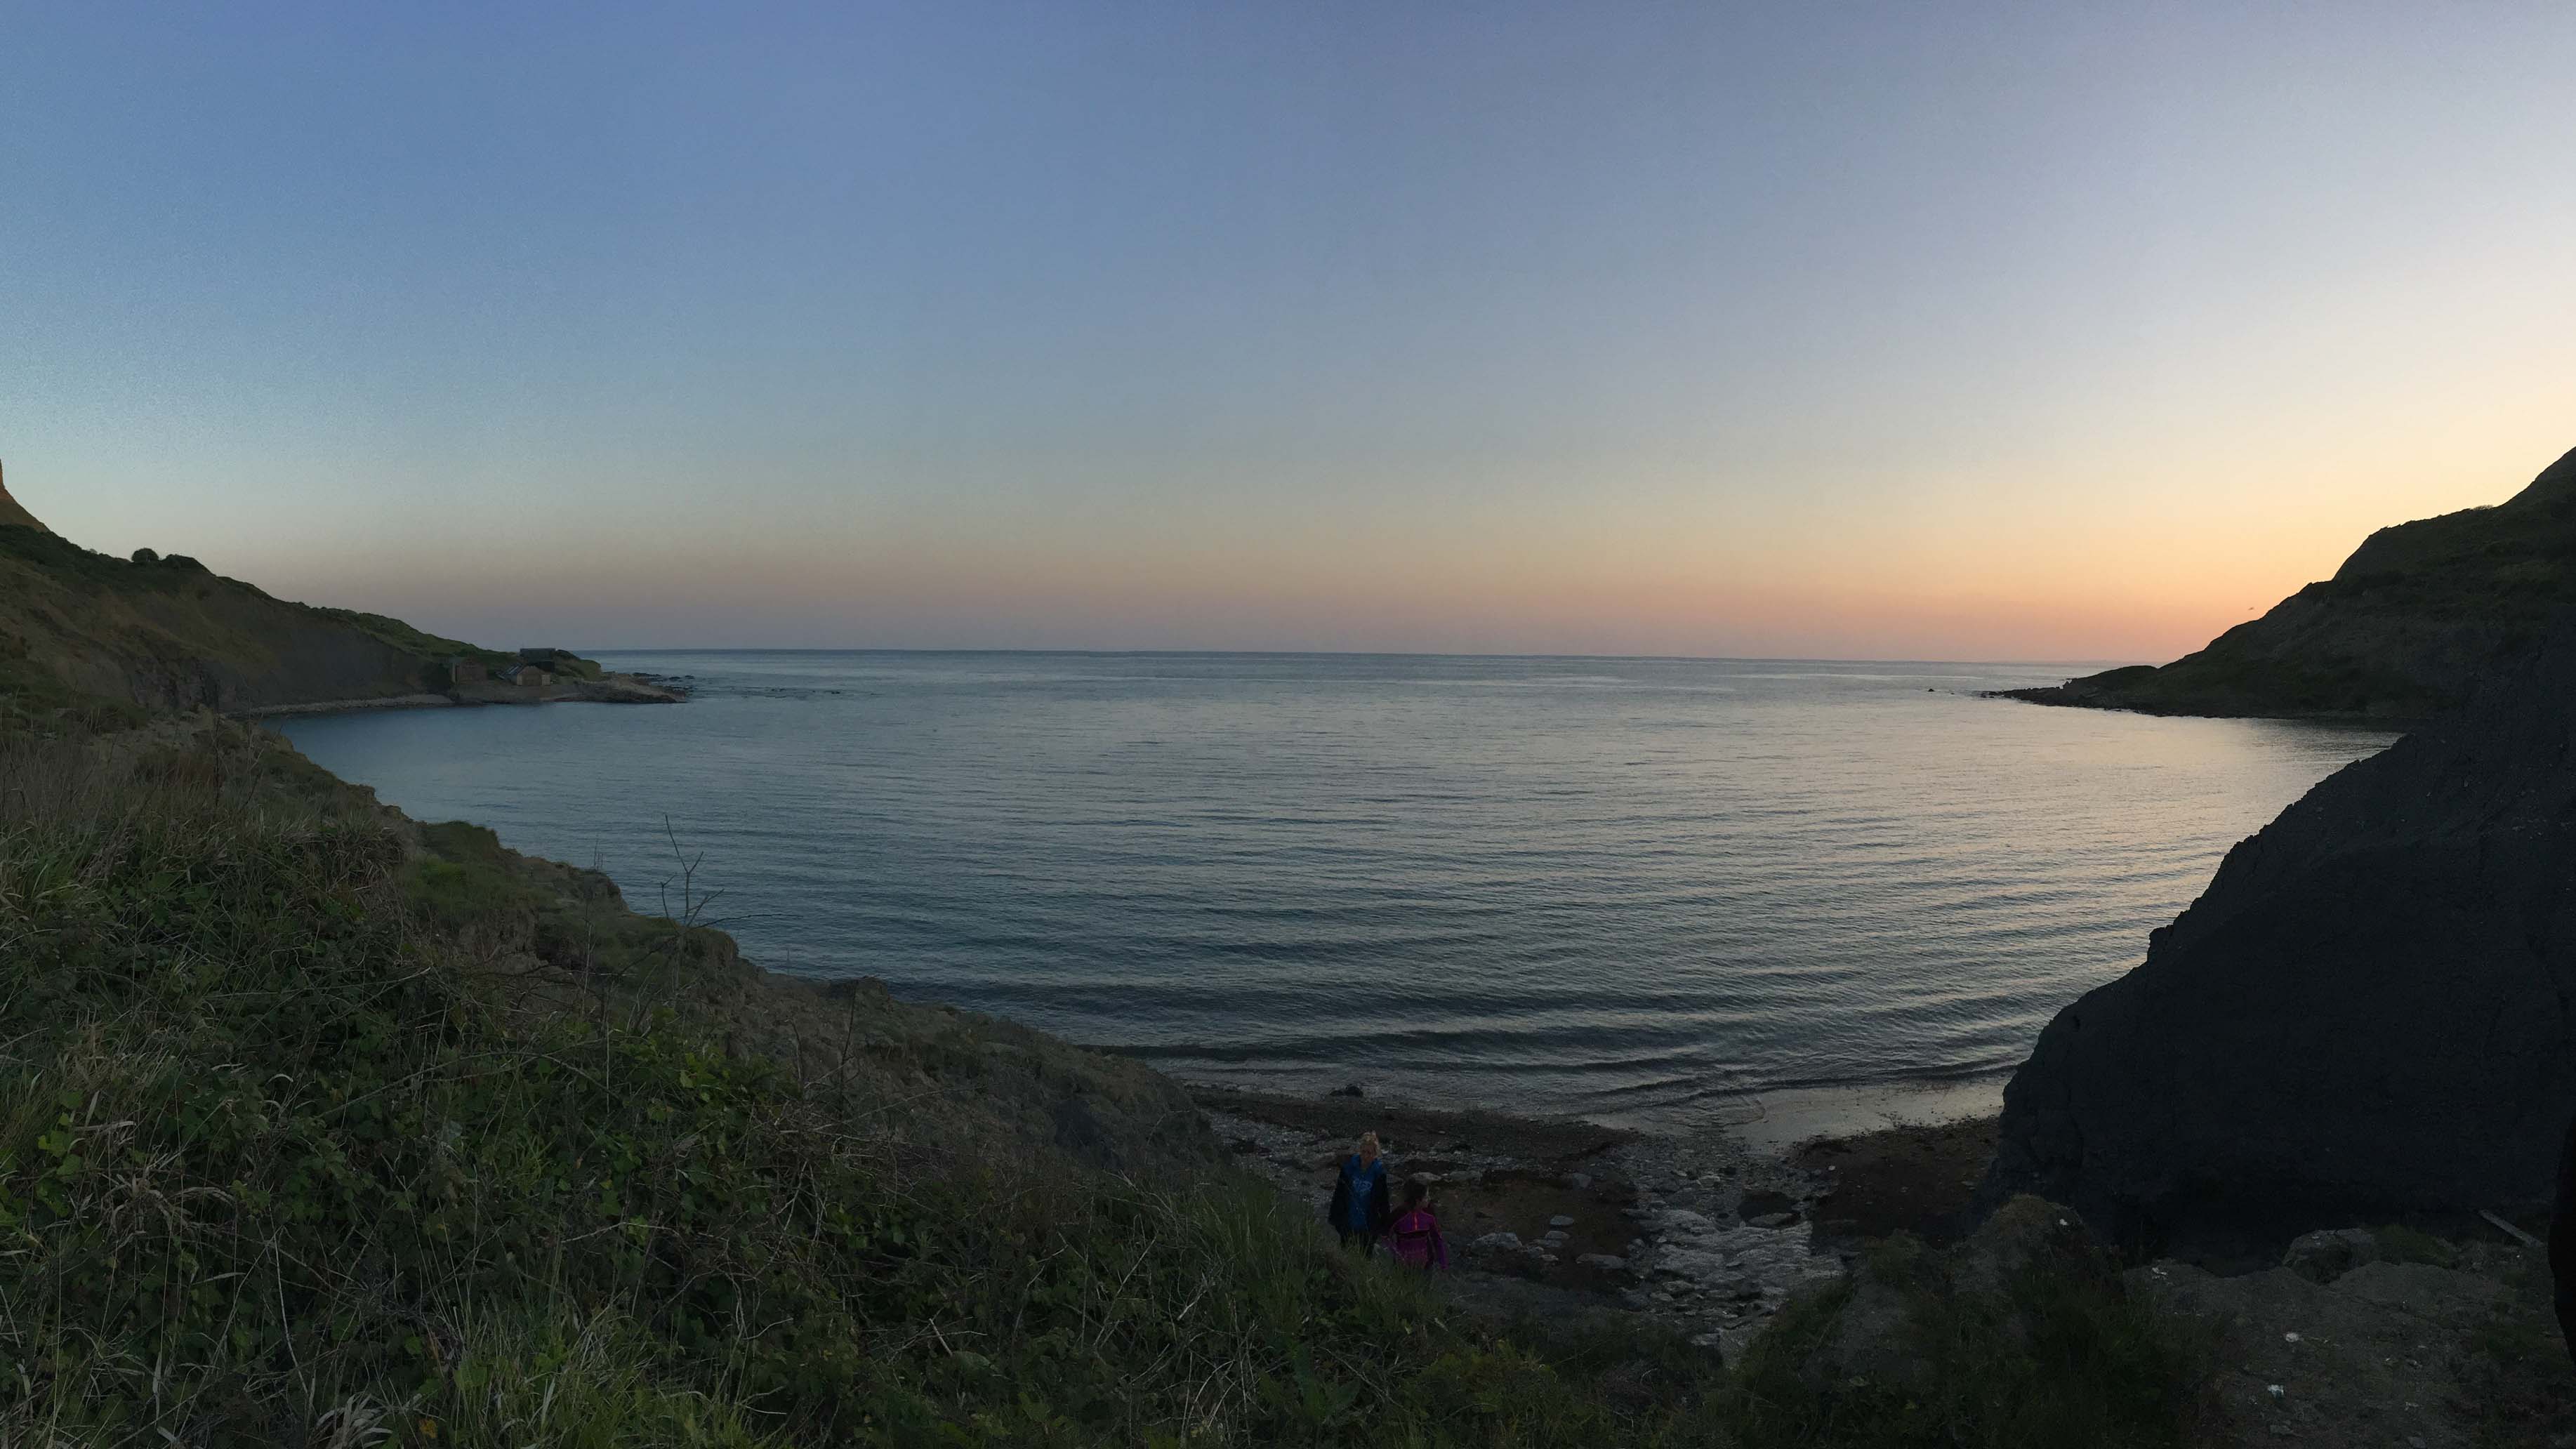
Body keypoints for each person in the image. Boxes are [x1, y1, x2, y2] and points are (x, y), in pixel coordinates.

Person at [1328, 1132, 1392, 1251]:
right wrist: (1335, 1218)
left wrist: (1385, 1225)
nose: (1366, 1156)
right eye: (1363, 1152)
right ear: (1360, 1151)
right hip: (1348, 1221)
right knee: (1346, 1254)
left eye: (1369, 1153)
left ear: (1375, 1154)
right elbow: (1339, 1195)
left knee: (1365, 1258)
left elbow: (1383, 1201)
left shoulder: (1379, 1174)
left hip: (1367, 1224)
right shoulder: (1348, 1170)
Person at [1386, 1177, 1448, 1270]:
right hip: (1403, 1269)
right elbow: (1385, 1236)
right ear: (1418, 1200)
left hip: (1426, 1266)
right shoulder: (1399, 1214)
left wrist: (1443, 1263)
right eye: (1426, 1197)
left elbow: (1437, 1238)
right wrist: (1397, 1255)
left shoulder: (1429, 1213)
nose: (1429, 1199)